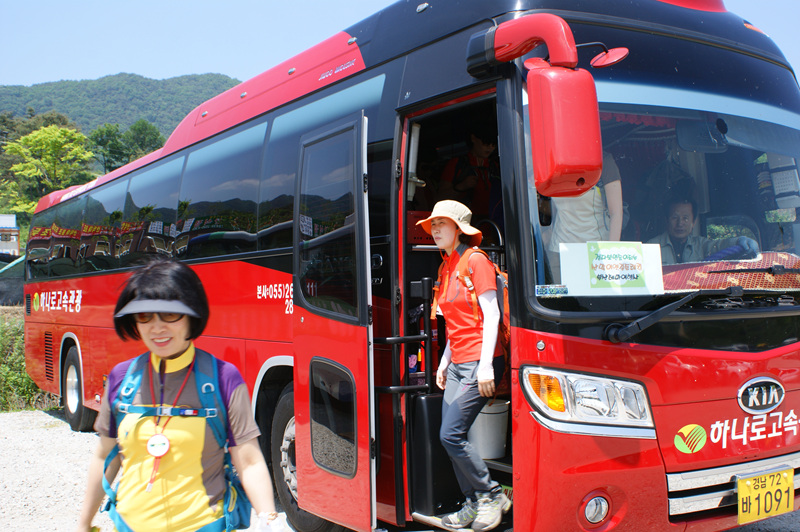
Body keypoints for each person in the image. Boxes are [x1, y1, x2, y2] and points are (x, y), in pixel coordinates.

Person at [76, 257, 282, 532]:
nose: (157, 327)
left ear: (191, 314)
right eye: (145, 316)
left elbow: (249, 460)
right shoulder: (121, 379)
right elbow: (105, 456)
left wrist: (269, 520)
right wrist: (83, 524)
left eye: (170, 314)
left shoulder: (222, 378)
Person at [416, 200, 510, 532]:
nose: (435, 229)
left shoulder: (475, 261)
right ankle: (473, 502)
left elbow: (492, 315)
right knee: (450, 436)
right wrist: (444, 363)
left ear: (459, 228)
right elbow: (455, 324)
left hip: (480, 362)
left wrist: (485, 368)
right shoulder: (446, 266)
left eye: (441, 223)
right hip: (458, 362)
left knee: (450, 434)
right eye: (433, 224)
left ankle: (491, 495)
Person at [546, 152, 624, 278]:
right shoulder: (552, 160)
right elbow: (554, 211)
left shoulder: (603, 161)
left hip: (596, 254)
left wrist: (611, 255)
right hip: (559, 254)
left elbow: (616, 213)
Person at [648, 196, 759, 264]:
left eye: (685, 218)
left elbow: (719, 246)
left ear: (694, 222)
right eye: (674, 217)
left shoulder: (701, 245)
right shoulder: (650, 247)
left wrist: (739, 241)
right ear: (667, 220)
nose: (680, 223)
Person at [437, 121, 502, 226]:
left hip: (494, 224)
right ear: (473, 138)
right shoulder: (457, 164)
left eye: (493, 144)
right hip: (466, 224)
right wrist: (461, 186)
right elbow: (440, 199)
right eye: (486, 143)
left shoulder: (496, 167)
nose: (490, 147)